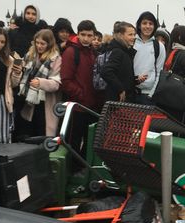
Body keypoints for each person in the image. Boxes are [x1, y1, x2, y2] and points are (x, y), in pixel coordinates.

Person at [61, 20, 103, 165]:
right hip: (77, 106)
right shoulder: (71, 52)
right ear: (78, 34)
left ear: (93, 36)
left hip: (91, 106)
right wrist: (81, 95)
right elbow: (65, 80)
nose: (86, 38)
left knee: (89, 141)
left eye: (89, 35)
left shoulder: (94, 53)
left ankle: (82, 169)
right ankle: (71, 171)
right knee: (73, 141)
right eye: (83, 34)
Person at [15, 29, 62, 139]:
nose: (39, 46)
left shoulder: (56, 59)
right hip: (28, 101)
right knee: (27, 134)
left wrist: (41, 82)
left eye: (42, 44)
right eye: (37, 42)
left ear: (49, 44)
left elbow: (56, 83)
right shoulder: (29, 55)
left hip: (44, 102)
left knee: (42, 134)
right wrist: (17, 71)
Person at [133, 12, 166, 105]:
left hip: (148, 95)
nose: (147, 26)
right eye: (144, 23)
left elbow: (160, 71)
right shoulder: (131, 43)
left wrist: (151, 94)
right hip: (130, 93)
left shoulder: (159, 46)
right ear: (139, 25)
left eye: (150, 24)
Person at [102, 21, 138, 103]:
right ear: (121, 35)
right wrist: (120, 89)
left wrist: (135, 80)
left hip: (121, 99)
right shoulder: (118, 52)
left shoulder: (125, 51)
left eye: (134, 34)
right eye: (130, 35)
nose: (133, 37)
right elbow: (106, 71)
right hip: (117, 100)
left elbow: (122, 74)